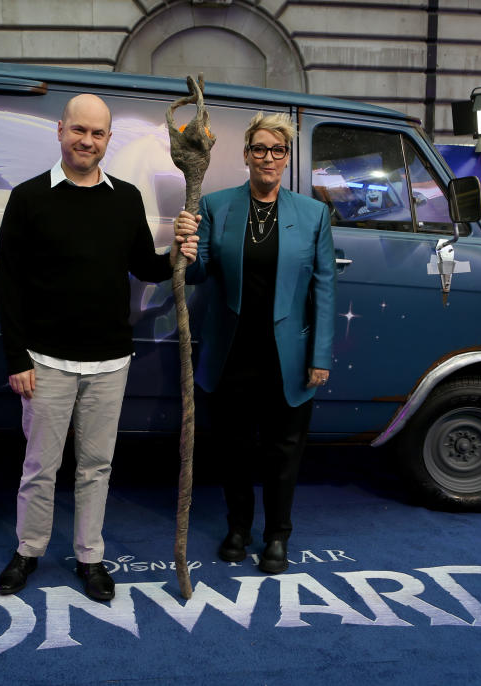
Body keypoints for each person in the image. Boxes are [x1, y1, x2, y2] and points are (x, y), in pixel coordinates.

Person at [0, 94, 199, 601]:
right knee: (41, 466)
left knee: (96, 466)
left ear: (109, 139)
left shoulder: (125, 198)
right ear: (60, 130)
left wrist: (177, 250)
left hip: (110, 361)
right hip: (44, 360)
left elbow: (145, 267)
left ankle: (90, 557)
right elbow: (9, 284)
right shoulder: (28, 198)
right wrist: (17, 359)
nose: (87, 140)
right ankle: (29, 550)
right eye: (78, 130)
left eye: (98, 133)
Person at [175, 111, 335, 574]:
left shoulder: (313, 214)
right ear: (246, 154)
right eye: (260, 149)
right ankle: (238, 529)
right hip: (232, 353)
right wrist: (187, 251)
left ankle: (277, 536)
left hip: (288, 355)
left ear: (287, 158)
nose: (269, 158)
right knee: (235, 448)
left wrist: (319, 355)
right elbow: (201, 273)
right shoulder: (215, 205)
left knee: (284, 451)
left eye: (278, 150)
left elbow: (324, 289)